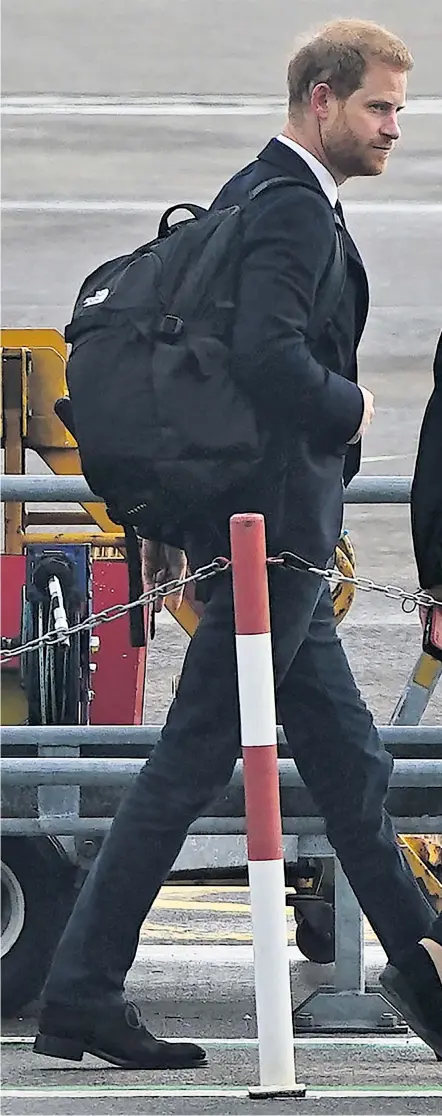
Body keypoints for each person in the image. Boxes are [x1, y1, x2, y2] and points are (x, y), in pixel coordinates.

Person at [34, 18, 442, 1068]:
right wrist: (350, 408)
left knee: (349, 766)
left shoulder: (253, 193)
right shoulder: (292, 212)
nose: (396, 126)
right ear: (320, 100)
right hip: (275, 537)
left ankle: (425, 979)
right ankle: (78, 994)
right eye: (379, 108)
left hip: (264, 536)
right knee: (186, 764)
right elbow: (265, 362)